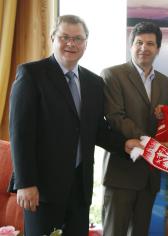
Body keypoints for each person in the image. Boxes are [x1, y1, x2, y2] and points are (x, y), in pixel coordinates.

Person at [8, 15, 139, 236]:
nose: (72, 43)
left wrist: (125, 144)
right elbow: (20, 133)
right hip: (42, 190)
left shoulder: (94, 83)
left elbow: (96, 129)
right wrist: (25, 183)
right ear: (53, 38)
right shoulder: (31, 75)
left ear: (86, 42)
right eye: (65, 37)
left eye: (78, 38)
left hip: (80, 190)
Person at [101, 22, 168, 236]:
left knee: (140, 232)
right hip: (122, 173)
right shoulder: (112, 75)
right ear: (130, 45)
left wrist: (166, 118)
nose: (144, 48)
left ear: (158, 49)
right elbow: (116, 117)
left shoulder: (167, 84)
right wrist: (149, 142)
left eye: (150, 43)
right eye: (139, 42)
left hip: (149, 176)